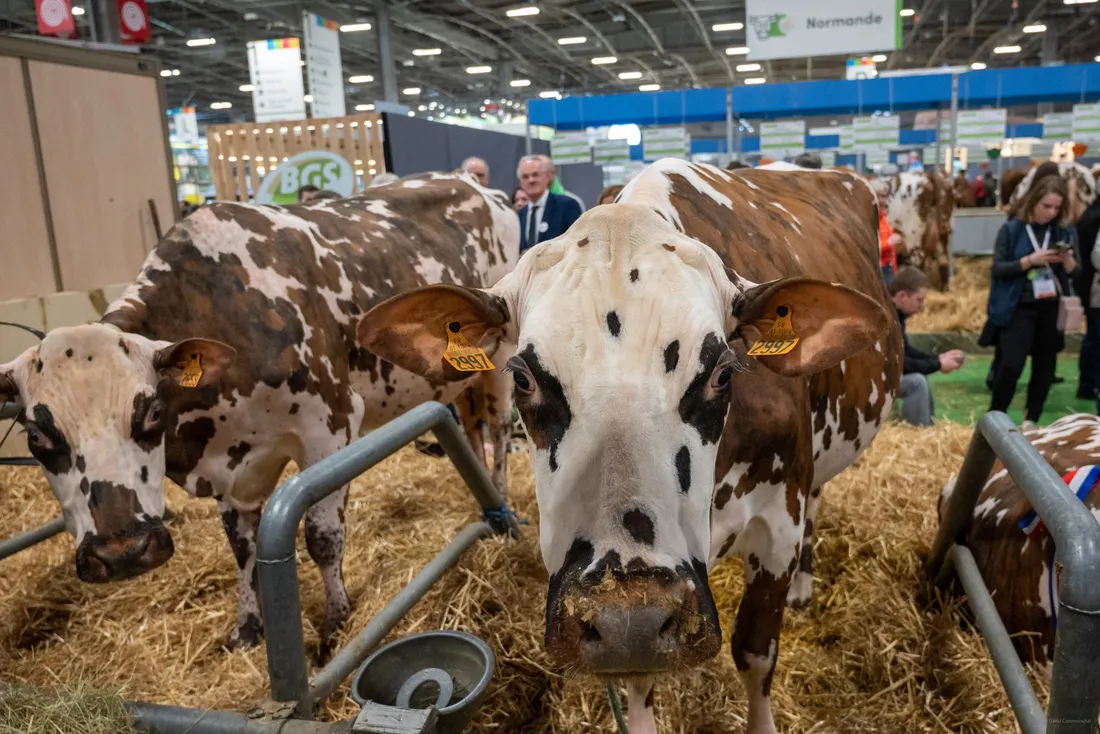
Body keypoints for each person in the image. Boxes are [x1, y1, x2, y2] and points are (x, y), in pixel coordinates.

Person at [982, 174, 1078, 425]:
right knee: (1011, 366)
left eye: (1056, 208)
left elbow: (1075, 272)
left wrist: (1067, 261)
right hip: (1018, 307)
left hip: (1050, 307)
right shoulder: (1012, 229)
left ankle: (1031, 420)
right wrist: (1029, 262)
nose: (1051, 212)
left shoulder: (1064, 230)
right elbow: (998, 269)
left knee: (1045, 367)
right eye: (1046, 206)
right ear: (1033, 201)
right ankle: (996, 418)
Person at [891, 267, 965, 426]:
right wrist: (938, 364)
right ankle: (917, 434)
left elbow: (905, 352)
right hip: (867, 379)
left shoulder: (896, 315)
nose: (922, 307)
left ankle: (928, 428)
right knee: (916, 382)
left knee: (919, 377)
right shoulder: (885, 318)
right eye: (919, 300)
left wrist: (937, 358)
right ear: (903, 296)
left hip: (879, 372)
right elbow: (898, 363)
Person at [517, 155, 582, 252]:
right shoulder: (519, 215)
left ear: (547, 177)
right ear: (521, 183)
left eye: (535, 175)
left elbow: (579, 243)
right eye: (525, 177)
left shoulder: (567, 206)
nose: (531, 180)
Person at [1075, 194, 1100, 399]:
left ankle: (1087, 384)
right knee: (1094, 338)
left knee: (1092, 337)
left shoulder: (1088, 214)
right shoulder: (1094, 218)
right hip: (1094, 287)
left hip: (1089, 285)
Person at [877, 190, 900, 285]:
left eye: (883, 196)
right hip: (878, 270)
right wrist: (889, 243)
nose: (881, 200)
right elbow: (867, 248)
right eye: (877, 196)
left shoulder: (883, 218)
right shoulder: (869, 220)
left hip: (888, 268)